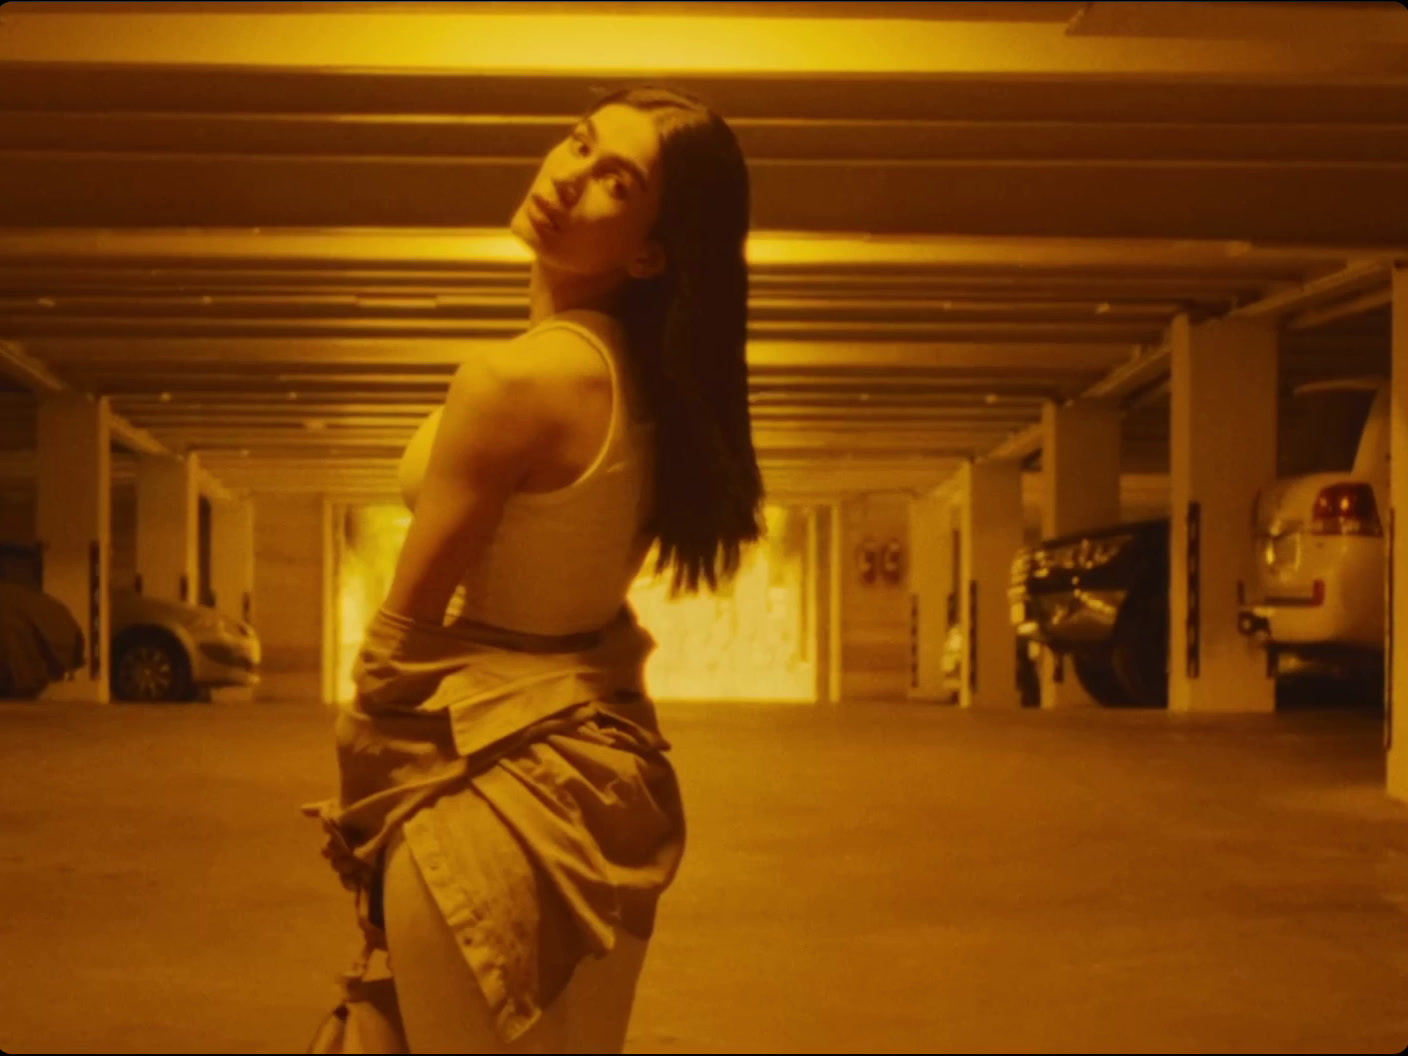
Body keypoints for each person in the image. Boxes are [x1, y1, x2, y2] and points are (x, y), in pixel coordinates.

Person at [303, 85, 764, 1055]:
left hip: (483, 782)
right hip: (608, 773)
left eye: (615, 180)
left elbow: (396, 649)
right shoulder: (653, 392)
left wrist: (373, 809)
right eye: (578, 144)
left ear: (649, 250)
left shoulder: (515, 382)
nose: (568, 177)